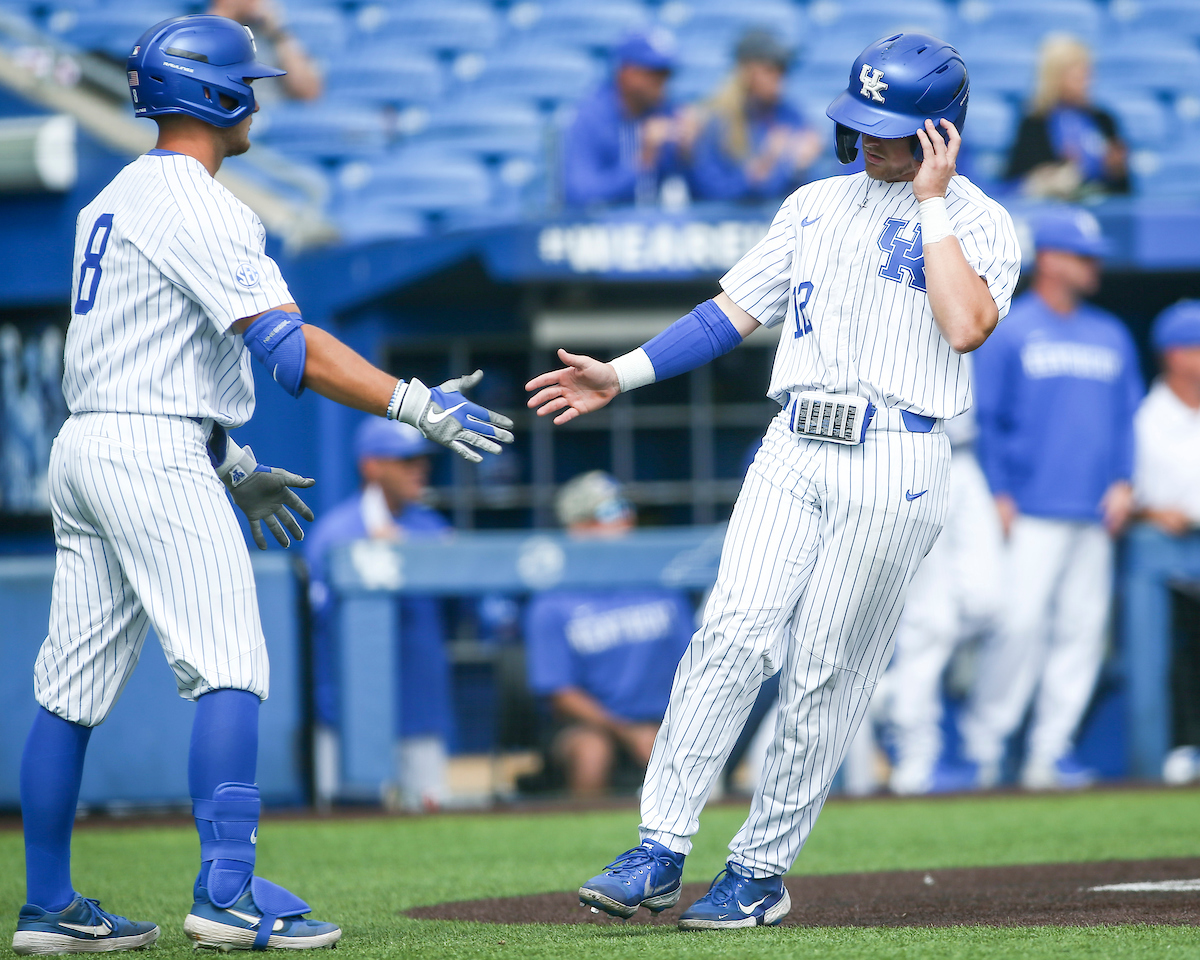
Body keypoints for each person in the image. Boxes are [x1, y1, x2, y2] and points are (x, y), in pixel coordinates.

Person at [12, 15, 512, 956]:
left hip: (89, 446)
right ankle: (228, 892)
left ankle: (47, 904)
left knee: (68, 688)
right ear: (220, 95)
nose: (261, 95)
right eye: (250, 82)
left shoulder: (109, 198)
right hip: (150, 452)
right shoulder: (201, 204)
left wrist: (232, 462)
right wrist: (416, 405)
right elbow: (290, 350)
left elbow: (149, 356)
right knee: (231, 664)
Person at [528, 33, 1020, 929]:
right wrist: (624, 373)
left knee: (824, 670)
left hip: (897, 455)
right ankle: (658, 848)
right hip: (793, 441)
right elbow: (730, 313)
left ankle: (758, 869)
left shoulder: (981, 220)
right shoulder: (812, 205)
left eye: (895, 126)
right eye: (861, 120)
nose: (871, 138)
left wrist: (935, 204)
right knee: (731, 632)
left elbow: (964, 326)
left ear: (942, 131)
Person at [960, 207, 1142, 792]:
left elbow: (1125, 419)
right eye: (1083, 257)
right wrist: (1000, 492)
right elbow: (987, 419)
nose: (1093, 268)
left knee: (1082, 633)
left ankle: (1049, 750)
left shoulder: (1111, 332)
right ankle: (984, 747)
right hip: (1028, 509)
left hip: (1093, 511)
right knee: (1017, 628)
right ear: (1053, 261)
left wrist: (1124, 479)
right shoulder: (1012, 328)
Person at [848, 403, 1006, 796]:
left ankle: (889, 696)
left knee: (989, 603)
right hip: (910, 454)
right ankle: (917, 762)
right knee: (930, 621)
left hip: (966, 459)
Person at [305, 419, 454, 812]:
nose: (418, 469)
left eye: (421, 460)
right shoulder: (336, 532)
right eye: (405, 461)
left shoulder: (432, 527)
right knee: (345, 819)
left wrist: (416, 553)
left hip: (420, 710)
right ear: (372, 466)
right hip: (345, 713)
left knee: (431, 825)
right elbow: (312, 622)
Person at [522, 472, 694, 797]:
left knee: (696, 742)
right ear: (579, 528)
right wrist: (628, 732)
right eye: (611, 512)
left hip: (662, 720)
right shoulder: (553, 600)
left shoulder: (661, 585)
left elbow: (694, 664)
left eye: (626, 509)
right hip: (588, 726)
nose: (626, 520)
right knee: (592, 750)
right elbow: (560, 694)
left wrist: (677, 727)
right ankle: (583, 843)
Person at [1123, 300, 1200, 782]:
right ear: (1173, 355)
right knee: (1162, 656)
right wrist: (1150, 511)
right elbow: (1121, 494)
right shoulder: (1145, 416)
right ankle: (1161, 758)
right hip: (1161, 545)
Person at [688, 29, 821, 202]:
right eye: (770, 70)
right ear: (746, 70)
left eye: (783, 70)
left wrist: (797, 168)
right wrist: (762, 168)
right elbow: (707, 192)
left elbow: (805, 190)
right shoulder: (715, 120)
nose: (779, 79)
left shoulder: (789, 115)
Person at [562, 30, 687, 208]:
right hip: (603, 231)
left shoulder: (667, 112)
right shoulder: (589, 118)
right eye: (654, 73)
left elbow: (698, 197)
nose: (662, 83)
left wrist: (689, 155)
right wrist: (643, 160)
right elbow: (580, 195)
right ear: (626, 73)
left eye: (666, 74)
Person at [1005, 34, 1129, 200]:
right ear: (1055, 77)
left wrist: (1117, 171)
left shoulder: (1103, 119)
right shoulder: (1035, 122)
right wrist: (1048, 177)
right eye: (1077, 75)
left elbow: (1124, 190)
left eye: (1087, 74)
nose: (1086, 82)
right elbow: (1015, 180)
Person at [207, 0, 322, 102]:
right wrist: (223, 17)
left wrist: (278, 32)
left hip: (275, 115)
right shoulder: (199, 29)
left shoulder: (273, 33)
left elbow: (309, 93)